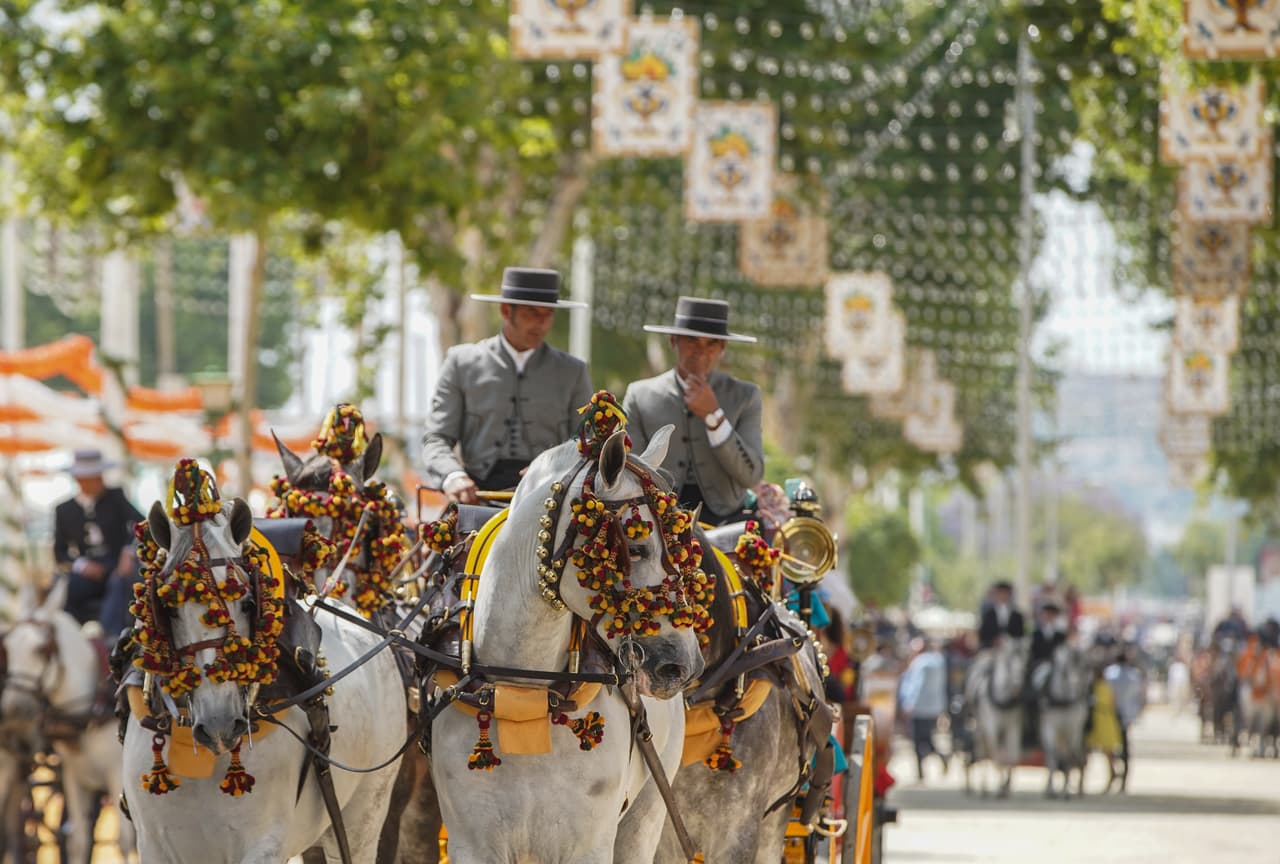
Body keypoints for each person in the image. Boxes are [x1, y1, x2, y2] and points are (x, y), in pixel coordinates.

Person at [421, 267, 592, 502]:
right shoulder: (461, 363)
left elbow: (586, 444)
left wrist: (554, 468)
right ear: (505, 311)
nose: (541, 323)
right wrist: (453, 476)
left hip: (550, 501)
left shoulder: (573, 371)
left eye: (548, 314)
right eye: (531, 313)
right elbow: (437, 438)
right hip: (476, 496)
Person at [622, 297, 764, 526]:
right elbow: (631, 473)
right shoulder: (640, 396)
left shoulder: (745, 397)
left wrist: (714, 416)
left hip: (726, 520)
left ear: (723, 348)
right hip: (656, 521)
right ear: (673, 341)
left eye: (712, 344)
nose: (701, 352)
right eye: (692, 341)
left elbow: (751, 475)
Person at [53, 449, 143, 636]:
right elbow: (59, 552)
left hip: (117, 564)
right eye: (94, 477)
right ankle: (66, 637)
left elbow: (141, 524)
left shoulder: (116, 498)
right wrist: (82, 565)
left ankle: (111, 637)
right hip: (88, 567)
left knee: (120, 583)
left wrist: (128, 552)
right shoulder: (64, 510)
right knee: (67, 588)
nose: (100, 481)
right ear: (80, 480)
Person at [898, 638, 948, 781]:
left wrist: (909, 704)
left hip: (918, 708)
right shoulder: (938, 662)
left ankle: (921, 771)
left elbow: (916, 686)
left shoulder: (920, 663)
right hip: (933, 708)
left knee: (918, 741)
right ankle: (938, 758)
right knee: (927, 739)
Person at [1104, 644, 1146, 792]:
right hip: (1127, 715)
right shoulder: (1134, 675)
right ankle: (1124, 781)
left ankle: (1112, 774)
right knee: (1125, 748)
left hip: (1110, 715)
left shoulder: (1109, 674)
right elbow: (1139, 696)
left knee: (1109, 748)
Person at [977, 580, 1026, 650]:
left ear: (1010, 594)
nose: (1003, 595)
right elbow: (983, 635)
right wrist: (993, 641)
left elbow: (1021, 636)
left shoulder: (1017, 615)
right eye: (1000, 593)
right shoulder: (989, 614)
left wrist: (1009, 641)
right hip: (991, 650)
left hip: (1012, 650)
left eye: (1005, 593)